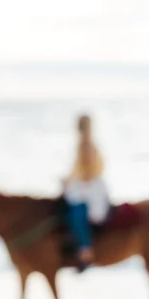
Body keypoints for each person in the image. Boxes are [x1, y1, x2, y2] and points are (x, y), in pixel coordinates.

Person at [62, 114, 109, 270]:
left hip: (90, 187)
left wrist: (74, 182)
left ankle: (85, 250)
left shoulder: (87, 145)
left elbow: (88, 170)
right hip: (89, 184)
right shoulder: (85, 144)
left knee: (76, 213)